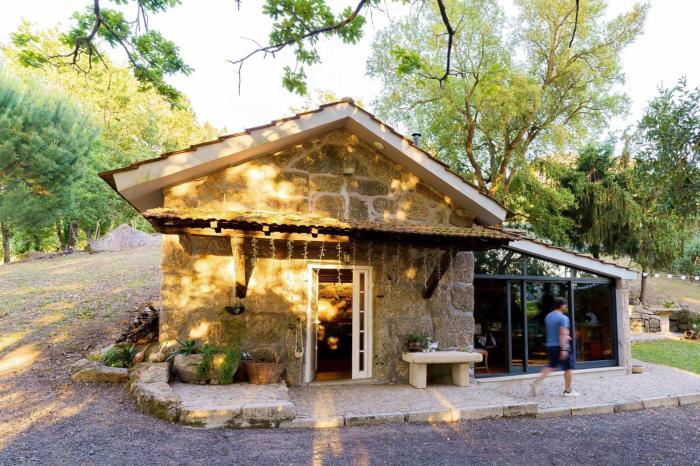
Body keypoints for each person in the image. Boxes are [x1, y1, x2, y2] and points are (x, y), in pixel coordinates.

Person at [531, 297, 580, 397]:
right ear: (561, 305)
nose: (565, 307)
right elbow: (563, 333)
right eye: (565, 305)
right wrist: (564, 349)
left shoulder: (548, 317)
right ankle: (568, 391)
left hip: (551, 345)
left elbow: (554, 331)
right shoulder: (563, 318)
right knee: (568, 369)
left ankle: (537, 381)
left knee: (551, 366)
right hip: (561, 346)